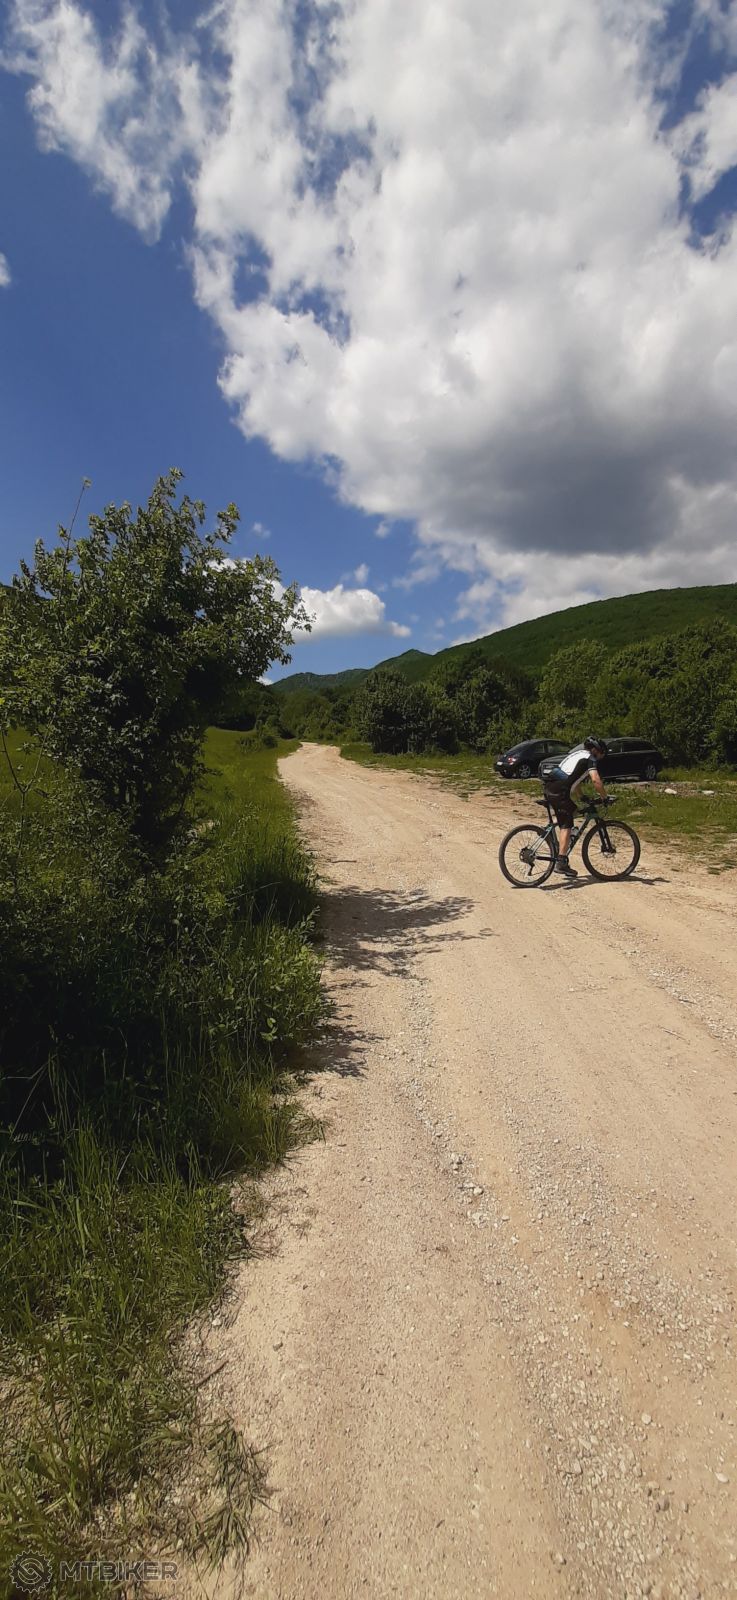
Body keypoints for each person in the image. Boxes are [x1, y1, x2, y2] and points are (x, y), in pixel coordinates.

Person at [542, 736, 611, 877]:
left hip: (550, 787)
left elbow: (573, 779)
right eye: (601, 754)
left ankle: (552, 830)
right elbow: (596, 780)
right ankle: (561, 862)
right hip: (559, 792)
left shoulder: (577, 754)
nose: (600, 758)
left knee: (573, 810)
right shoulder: (590, 759)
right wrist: (605, 797)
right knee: (567, 823)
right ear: (595, 750)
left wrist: (581, 796)